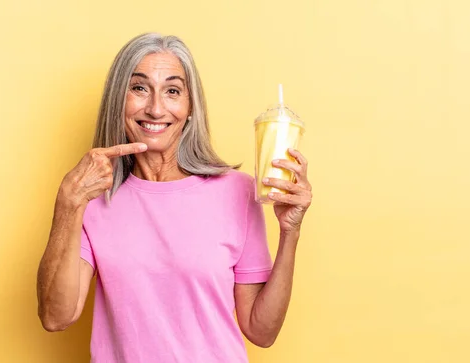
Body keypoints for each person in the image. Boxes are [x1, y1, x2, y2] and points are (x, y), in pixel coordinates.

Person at [36, 33, 312, 363]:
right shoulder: (93, 198)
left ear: (190, 106)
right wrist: (69, 202)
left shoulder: (238, 191)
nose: (155, 108)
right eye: (139, 88)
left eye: (172, 91)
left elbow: (261, 331)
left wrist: (290, 232)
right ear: (117, 101)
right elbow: (56, 317)